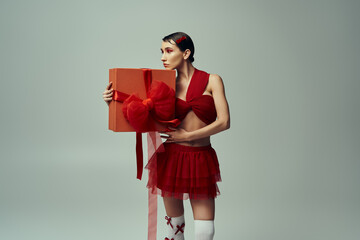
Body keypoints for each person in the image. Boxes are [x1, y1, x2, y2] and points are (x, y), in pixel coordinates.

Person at [103, 32, 230, 240]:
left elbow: (224, 122)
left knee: (205, 231)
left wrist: (188, 136)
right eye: (161, 51)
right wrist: (113, 102)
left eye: (169, 51)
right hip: (171, 158)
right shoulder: (165, 85)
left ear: (186, 53)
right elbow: (141, 114)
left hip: (201, 157)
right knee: (174, 228)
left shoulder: (212, 80)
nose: (163, 57)